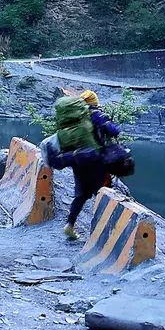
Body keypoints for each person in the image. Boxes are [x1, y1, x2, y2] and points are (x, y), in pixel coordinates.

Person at [46, 95, 106, 242]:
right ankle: (100, 233)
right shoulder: (94, 115)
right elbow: (112, 130)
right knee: (103, 193)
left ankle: (70, 225)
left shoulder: (70, 120)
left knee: (80, 195)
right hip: (94, 160)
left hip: (76, 160)